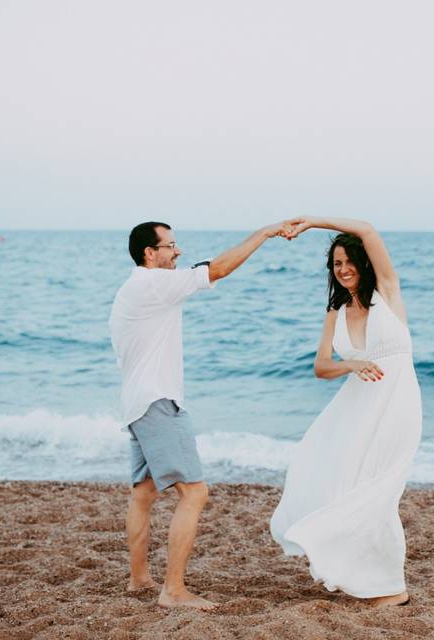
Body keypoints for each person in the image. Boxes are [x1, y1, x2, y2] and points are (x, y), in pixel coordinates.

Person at [110, 219, 298, 610]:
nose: (177, 252)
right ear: (150, 252)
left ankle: (139, 579)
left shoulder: (133, 289)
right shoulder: (153, 284)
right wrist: (264, 233)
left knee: (143, 493)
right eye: (171, 246)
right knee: (194, 492)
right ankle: (173, 590)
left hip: (136, 404)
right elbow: (218, 269)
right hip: (158, 402)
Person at [270, 216, 422, 607]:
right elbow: (322, 367)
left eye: (348, 261)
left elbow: (369, 229)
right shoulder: (335, 311)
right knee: (345, 485)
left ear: (364, 262)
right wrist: (350, 365)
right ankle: (366, 578)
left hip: (397, 404)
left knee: (380, 489)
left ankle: (389, 587)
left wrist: (311, 222)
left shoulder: (387, 293)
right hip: (354, 408)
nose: (343, 269)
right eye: (336, 264)